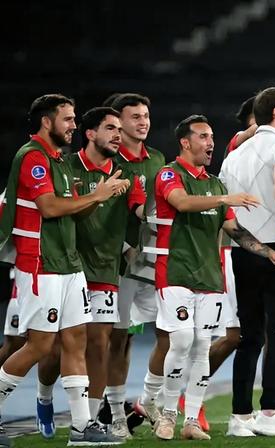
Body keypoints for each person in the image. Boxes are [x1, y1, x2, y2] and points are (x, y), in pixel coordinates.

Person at [150, 115, 275, 440]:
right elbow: (182, 203)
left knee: (201, 346)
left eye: (212, 136)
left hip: (210, 277)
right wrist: (226, 199)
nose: (210, 142)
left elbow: (235, 231)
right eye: (202, 136)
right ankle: (168, 414)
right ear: (185, 142)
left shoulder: (215, 183)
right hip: (175, 272)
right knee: (182, 339)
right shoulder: (170, 174)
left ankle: (190, 422)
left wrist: (270, 253)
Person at [0, 94, 129, 446]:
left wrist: (101, 195)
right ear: (47, 122)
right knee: (40, 346)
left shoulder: (58, 160)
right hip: (42, 263)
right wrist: (95, 197)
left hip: (69, 264)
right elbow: (50, 208)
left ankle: (81, 427)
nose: (74, 125)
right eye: (68, 119)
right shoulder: (33, 158)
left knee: (77, 340)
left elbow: (73, 210)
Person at [220, 87, 275, 437]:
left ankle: (240, 417)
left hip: (245, 251)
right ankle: (272, 410)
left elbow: (228, 210)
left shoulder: (234, 156)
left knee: (251, 335)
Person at [69, 107, 145, 436]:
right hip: (64, 266)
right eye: (110, 128)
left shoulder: (125, 174)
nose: (118, 134)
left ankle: (89, 420)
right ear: (90, 134)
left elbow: (141, 209)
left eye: (118, 128)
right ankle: (44, 398)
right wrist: (96, 195)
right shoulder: (66, 167)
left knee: (100, 342)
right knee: (48, 346)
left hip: (104, 267)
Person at [103, 94, 167, 431]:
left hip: (151, 260)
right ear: (119, 121)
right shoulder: (109, 159)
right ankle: (114, 416)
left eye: (146, 115)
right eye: (135, 117)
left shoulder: (157, 158)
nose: (143, 122)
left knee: (169, 332)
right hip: (118, 261)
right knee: (118, 338)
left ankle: (149, 400)